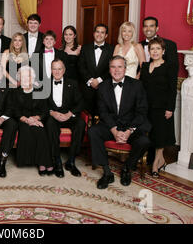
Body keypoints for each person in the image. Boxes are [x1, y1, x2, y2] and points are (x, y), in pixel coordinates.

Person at [88, 56, 151, 189]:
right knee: (93, 132)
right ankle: (106, 172)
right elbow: (103, 112)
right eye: (113, 67)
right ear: (109, 69)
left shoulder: (137, 85)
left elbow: (142, 111)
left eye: (120, 67)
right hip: (112, 125)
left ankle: (127, 168)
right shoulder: (102, 87)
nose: (116, 70)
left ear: (125, 69)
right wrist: (114, 130)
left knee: (144, 141)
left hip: (131, 126)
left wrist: (128, 131)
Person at [140, 16, 178, 165]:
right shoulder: (139, 48)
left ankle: (156, 162)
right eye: (145, 26)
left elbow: (172, 84)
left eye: (152, 26)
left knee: (159, 132)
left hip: (161, 103)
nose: (148, 29)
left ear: (157, 28)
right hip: (146, 103)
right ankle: (150, 160)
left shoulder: (170, 47)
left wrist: (170, 107)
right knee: (148, 131)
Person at [45, 59, 86, 178]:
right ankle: (57, 160)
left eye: (59, 69)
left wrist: (69, 114)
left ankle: (71, 161)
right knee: (50, 124)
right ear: (51, 70)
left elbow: (80, 102)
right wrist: (52, 113)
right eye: (54, 69)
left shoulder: (72, 83)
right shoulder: (45, 84)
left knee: (81, 124)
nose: (57, 71)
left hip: (68, 115)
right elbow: (41, 104)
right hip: (53, 115)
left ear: (64, 70)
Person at [12, 66, 53, 175]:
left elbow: (45, 110)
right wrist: (27, 120)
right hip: (22, 120)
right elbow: (15, 111)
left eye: (28, 76)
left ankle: (43, 163)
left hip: (36, 119)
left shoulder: (40, 91)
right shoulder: (15, 93)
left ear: (33, 78)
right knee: (26, 130)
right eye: (23, 77)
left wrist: (36, 119)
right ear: (20, 78)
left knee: (40, 130)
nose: (26, 79)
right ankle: (28, 161)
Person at [78, 23, 114, 116]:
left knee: (102, 113)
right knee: (86, 114)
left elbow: (112, 68)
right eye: (97, 32)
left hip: (104, 87)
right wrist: (90, 80)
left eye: (102, 32)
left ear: (106, 35)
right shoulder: (85, 48)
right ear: (94, 33)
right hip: (87, 88)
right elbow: (81, 66)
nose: (99, 34)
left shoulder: (112, 49)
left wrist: (98, 80)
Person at [24, 14, 44, 82]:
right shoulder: (21, 37)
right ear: (27, 24)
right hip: (24, 72)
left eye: (35, 23)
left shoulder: (45, 38)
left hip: (40, 72)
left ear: (39, 24)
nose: (33, 25)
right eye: (30, 23)